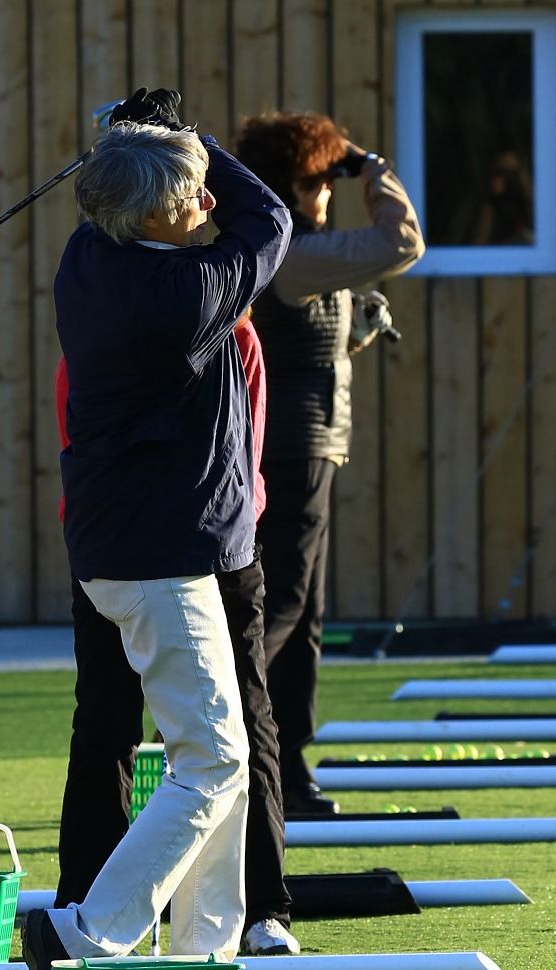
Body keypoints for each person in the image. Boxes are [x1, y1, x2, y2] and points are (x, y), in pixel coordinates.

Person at [21, 101, 291, 970]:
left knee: (210, 758)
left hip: (130, 547)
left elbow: (197, 207)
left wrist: (146, 144)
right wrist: (198, 137)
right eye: (189, 194)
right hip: (160, 558)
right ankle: (84, 933)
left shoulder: (85, 261)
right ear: (147, 215)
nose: (207, 200)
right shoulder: (188, 293)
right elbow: (270, 220)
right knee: (214, 758)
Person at [50, 309, 299, 958]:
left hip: (212, 544)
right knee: (139, 731)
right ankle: (84, 918)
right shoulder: (97, 332)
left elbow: (244, 455)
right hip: (141, 548)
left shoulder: (234, 333)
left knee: (238, 724)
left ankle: (257, 911)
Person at [234, 112, 425, 812]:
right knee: (283, 606)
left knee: (302, 613)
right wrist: (373, 167)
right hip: (295, 450)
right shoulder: (295, 249)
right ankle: (214, 736)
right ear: (291, 184)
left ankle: (285, 762)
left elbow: (303, 343)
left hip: (296, 447)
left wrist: (355, 332)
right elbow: (404, 241)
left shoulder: (283, 248)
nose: (329, 190)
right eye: (320, 178)